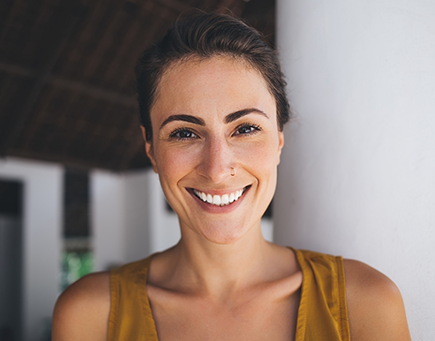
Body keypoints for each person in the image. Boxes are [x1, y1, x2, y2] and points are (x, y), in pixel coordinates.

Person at [52, 11, 411, 340]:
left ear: (279, 140)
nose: (217, 167)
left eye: (245, 128)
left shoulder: (364, 304)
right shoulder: (91, 315)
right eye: (184, 133)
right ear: (151, 149)